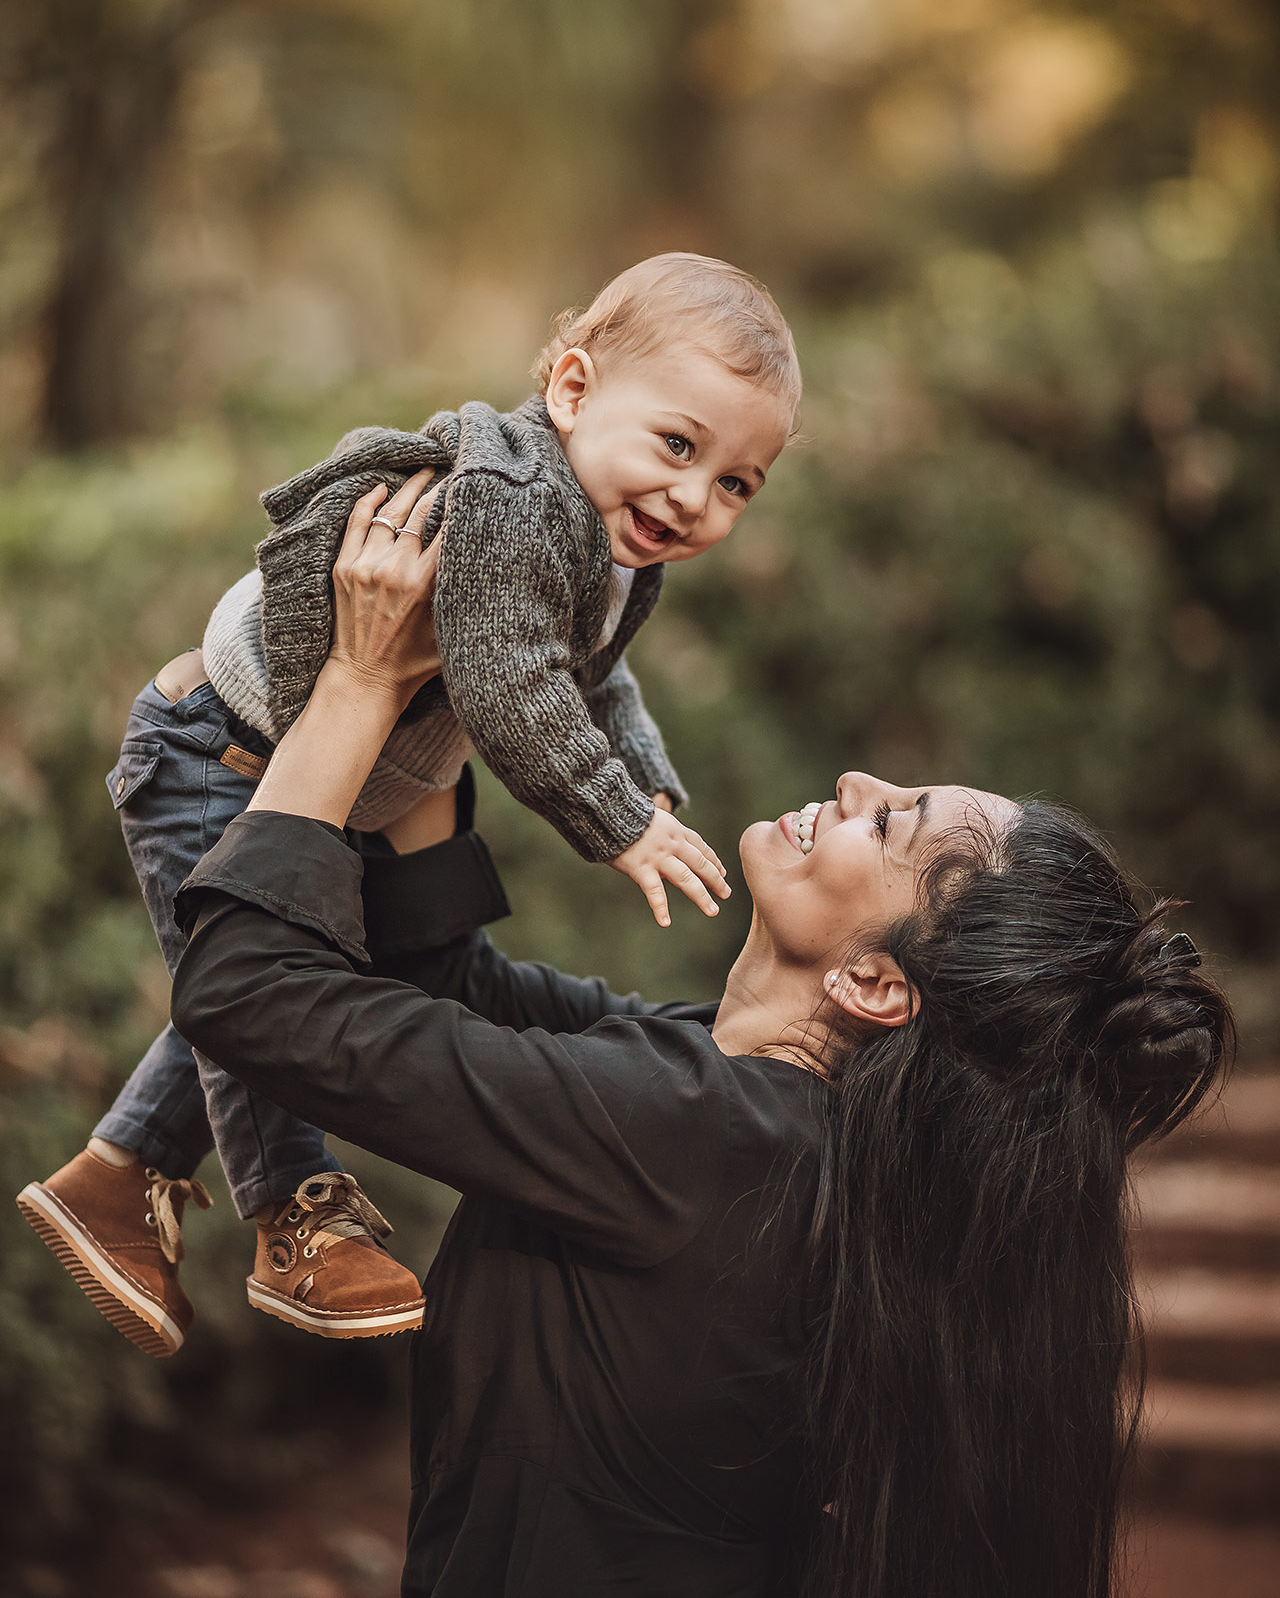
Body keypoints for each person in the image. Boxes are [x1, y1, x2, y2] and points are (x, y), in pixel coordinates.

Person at [165, 473, 1230, 1598]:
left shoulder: (701, 1130)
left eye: (890, 820)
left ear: (874, 983)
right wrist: (458, 688)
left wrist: (359, 680)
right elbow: (449, 988)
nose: (855, 781)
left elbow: (249, 995)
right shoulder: (753, 1107)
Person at [16, 253, 799, 1354]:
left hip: (347, 778)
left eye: (735, 484)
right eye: (678, 444)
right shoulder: (518, 502)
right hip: (219, 752)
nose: (693, 497)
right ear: (571, 391)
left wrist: (645, 775)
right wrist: (614, 821)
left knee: (322, 972)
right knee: (269, 974)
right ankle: (296, 1210)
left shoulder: (611, 540)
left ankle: (114, 1175)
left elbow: (591, 671)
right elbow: (511, 682)